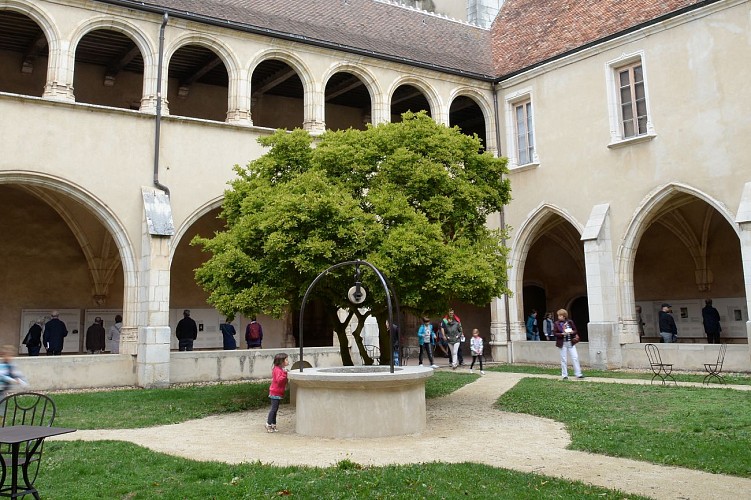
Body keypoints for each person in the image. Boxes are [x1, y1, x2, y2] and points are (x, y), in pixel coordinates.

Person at [553, 308, 584, 380]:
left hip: (570, 342)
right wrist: (562, 334)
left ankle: (578, 374)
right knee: (563, 359)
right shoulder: (556, 323)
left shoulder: (570, 322)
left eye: (560, 315)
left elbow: (575, 330)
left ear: (564, 316)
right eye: (558, 316)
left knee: (575, 357)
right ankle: (564, 375)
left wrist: (572, 332)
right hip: (562, 343)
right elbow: (554, 333)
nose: (559, 317)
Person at [266, 352, 289, 433]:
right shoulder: (277, 370)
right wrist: (285, 373)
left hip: (278, 392)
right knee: (274, 409)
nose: (287, 361)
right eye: (286, 360)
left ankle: (273, 424)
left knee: (275, 409)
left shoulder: (279, 369)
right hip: (275, 392)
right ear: (281, 361)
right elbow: (279, 380)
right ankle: (268, 424)